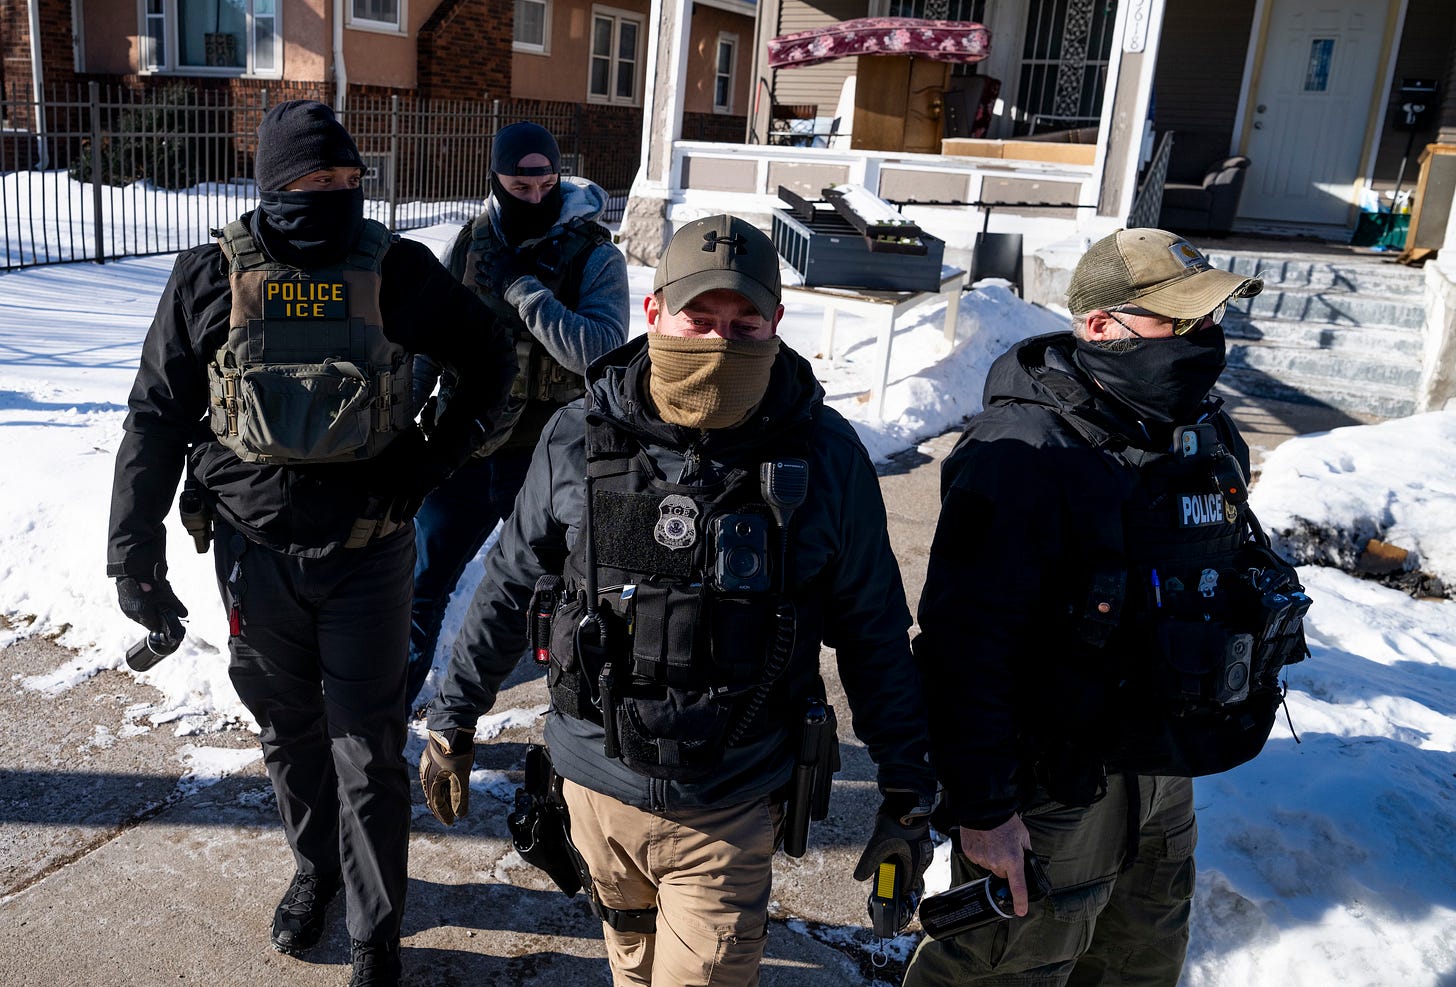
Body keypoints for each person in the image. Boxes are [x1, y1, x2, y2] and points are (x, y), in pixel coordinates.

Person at [418, 215, 937, 986]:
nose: (721, 342)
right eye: (700, 317)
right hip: (592, 795)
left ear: (776, 323)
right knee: (629, 964)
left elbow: (874, 634)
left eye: (744, 323)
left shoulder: (824, 456)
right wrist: (454, 715)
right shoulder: (577, 434)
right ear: (655, 311)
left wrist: (906, 792)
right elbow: (509, 582)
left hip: (728, 811)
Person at [106, 100, 515, 987]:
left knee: (368, 746)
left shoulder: (395, 269)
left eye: (346, 178)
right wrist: (132, 553)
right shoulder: (208, 277)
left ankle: (375, 931)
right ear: (273, 185)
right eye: (312, 179)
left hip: (370, 554)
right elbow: (157, 416)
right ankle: (317, 867)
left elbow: (491, 360)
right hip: (252, 556)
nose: (333, 192)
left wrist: (425, 460)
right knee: (288, 731)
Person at [903, 228, 1310, 987]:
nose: (1204, 338)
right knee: (1007, 969)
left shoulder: (1200, 431)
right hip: (1052, 786)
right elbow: (966, 649)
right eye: (1180, 322)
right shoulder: (1024, 453)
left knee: (1140, 963)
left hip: (1162, 773)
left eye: (1211, 319)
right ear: (1100, 326)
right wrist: (984, 810)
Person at [406, 120, 629, 707]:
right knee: (420, 586)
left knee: (562, 596)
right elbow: (429, 342)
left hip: (549, 461)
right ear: (496, 182)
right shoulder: (469, 244)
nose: (534, 198)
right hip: (465, 447)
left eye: (545, 186)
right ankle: (387, 719)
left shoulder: (594, 254)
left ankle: (575, 722)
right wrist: (403, 416)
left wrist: (527, 292)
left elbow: (602, 354)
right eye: (519, 188)